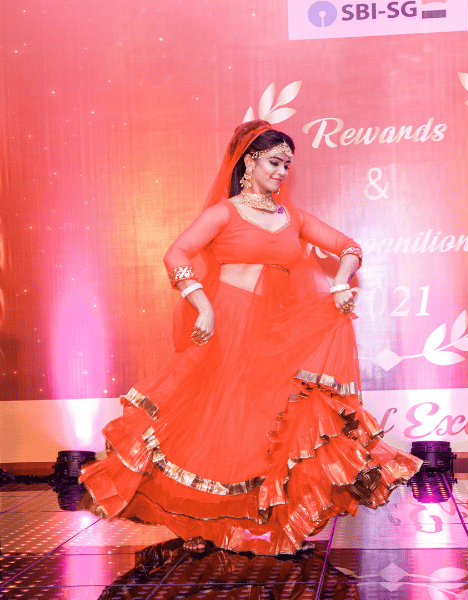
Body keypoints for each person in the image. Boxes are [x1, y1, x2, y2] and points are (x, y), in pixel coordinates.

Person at [80, 120, 422, 556]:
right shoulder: (225, 212)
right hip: (228, 327)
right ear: (249, 162)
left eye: (287, 165)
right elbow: (176, 253)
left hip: (276, 333)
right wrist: (202, 305)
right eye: (274, 162)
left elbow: (350, 246)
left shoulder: (292, 218)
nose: (281, 172)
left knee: (270, 426)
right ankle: (201, 520)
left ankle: (263, 523)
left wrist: (340, 282)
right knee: (212, 423)